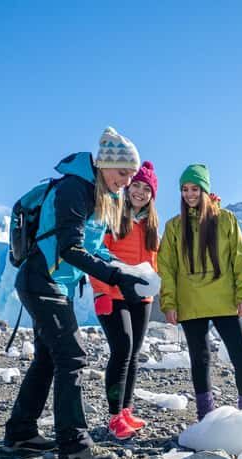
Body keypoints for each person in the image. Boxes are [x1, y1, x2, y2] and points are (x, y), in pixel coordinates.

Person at [3, 127, 147, 459]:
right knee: (72, 358)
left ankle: (20, 433)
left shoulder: (101, 194)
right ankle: (75, 445)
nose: (126, 181)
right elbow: (69, 248)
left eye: (131, 175)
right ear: (103, 165)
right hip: (43, 282)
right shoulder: (74, 188)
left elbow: (94, 248)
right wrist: (113, 276)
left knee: (48, 359)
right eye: (123, 173)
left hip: (57, 285)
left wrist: (127, 270)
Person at [157, 164, 242, 420]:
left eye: (195, 188)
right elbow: (167, 268)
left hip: (225, 301)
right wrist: (169, 303)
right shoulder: (173, 227)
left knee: (241, 358)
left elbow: (240, 257)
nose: (189, 194)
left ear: (205, 189)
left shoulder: (225, 219)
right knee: (200, 361)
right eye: (184, 189)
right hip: (190, 304)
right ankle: (206, 416)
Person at [90, 161, 160, 441]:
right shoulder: (111, 215)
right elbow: (95, 255)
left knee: (133, 354)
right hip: (113, 294)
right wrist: (101, 292)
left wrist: (156, 294)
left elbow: (154, 263)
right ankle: (114, 415)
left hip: (141, 297)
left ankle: (127, 409)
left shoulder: (150, 225)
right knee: (122, 350)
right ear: (128, 186)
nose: (140, 192)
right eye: (137, 186)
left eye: (147, 189)